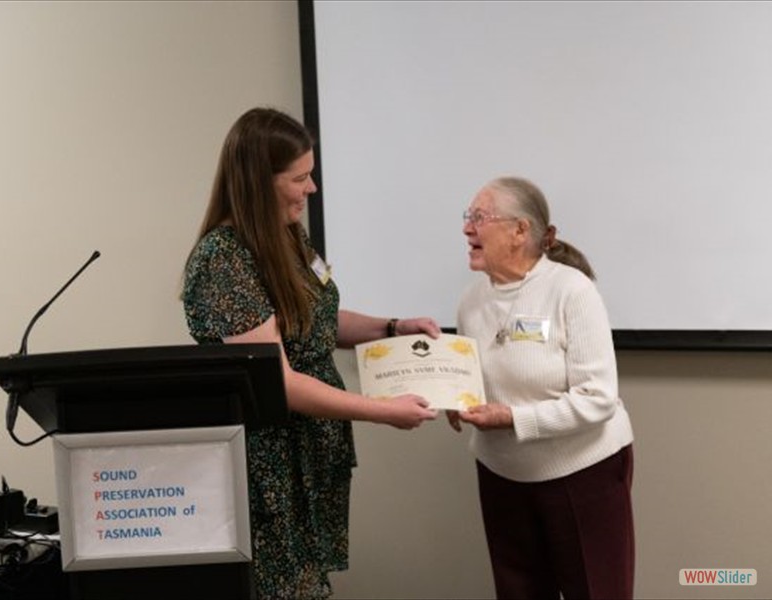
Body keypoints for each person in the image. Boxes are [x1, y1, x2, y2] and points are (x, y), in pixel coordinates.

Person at [181, 106, 439, 600]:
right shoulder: (223, 260)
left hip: (310, 455)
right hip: (271, 468)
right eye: (300, 178)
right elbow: (277, 381)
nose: (312, 188)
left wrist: (392, 328)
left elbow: (316, 322)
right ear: (259, 181)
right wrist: (382, 410)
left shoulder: (287, 237)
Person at [449, 176, 635, 600]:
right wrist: (454, 399)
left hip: (583, 472)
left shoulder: (572, 290)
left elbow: (598, 399)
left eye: (480, 217)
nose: (466, 228)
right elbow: (476, 378)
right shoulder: (471, 301)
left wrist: (513, 418)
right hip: (501, 474)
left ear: (520, 230)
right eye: (467, 216)